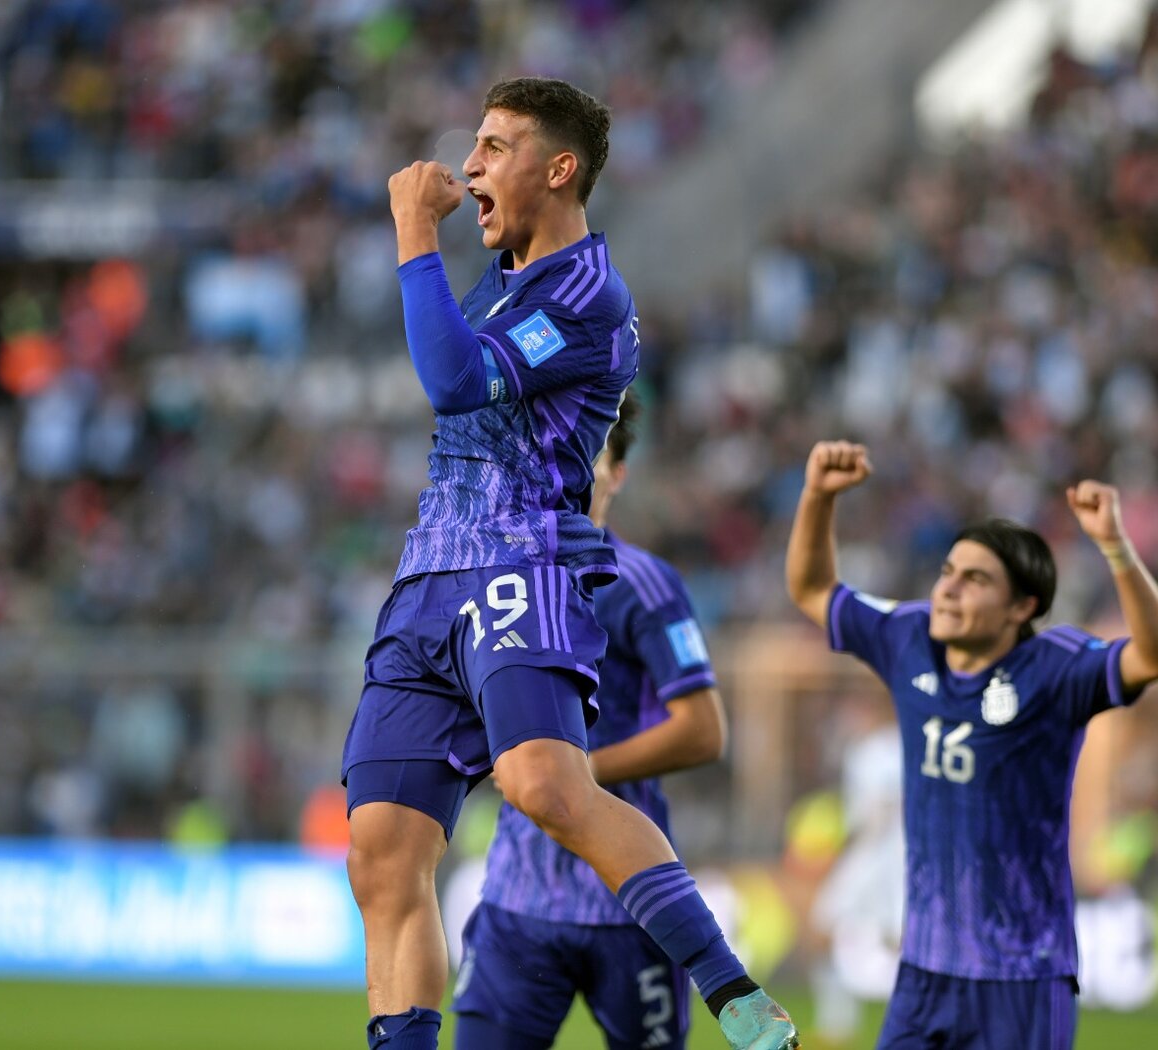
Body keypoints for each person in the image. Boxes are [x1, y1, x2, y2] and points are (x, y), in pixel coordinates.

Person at [341, 77, 797, 1050]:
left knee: (547, 786)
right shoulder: (502, 284)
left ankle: (736, 998)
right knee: (381, 857)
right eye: (473, 143)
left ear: (558, 169)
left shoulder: (589, 291)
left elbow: (456, 380)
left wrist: (412, 232)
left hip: (522, 564)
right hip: (428, 580)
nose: (469, 166)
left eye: (495, 146)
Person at [785, 439, 1158, 1049]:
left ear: (1021, 607)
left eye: (975, 579)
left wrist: (1116, 548)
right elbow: (812, 590)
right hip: (924, 973)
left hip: (1022, 977)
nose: (949, 590)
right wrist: (819, 498)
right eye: (947, 572)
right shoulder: (909, 638)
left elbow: (1151, 654)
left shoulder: (1056, 669)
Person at [452, 391, 728, 1049]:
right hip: (517, 898)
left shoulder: (642, 583)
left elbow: (704, 729)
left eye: (590, 451)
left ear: (618, 472)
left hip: (629, 904)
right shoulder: (495, 575)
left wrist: (578, 773)